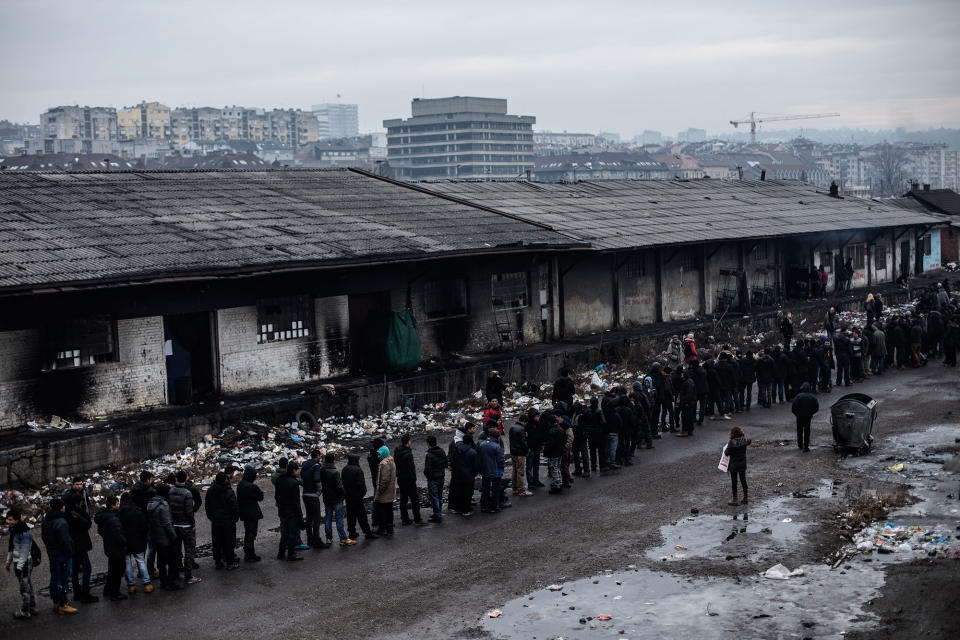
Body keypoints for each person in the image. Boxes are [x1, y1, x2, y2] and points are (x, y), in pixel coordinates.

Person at [41, 499, 77, 614]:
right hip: (62, 555)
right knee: (64, 578)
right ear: (61, 507)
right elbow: (65, 540)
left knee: (55, 577)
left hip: (52, 553)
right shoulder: (61, 522)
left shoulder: (46, 520)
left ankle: (56, 602)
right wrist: (69, 552)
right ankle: (63, 603)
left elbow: (44, 537)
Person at [63, 492, 97, 603]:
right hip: (80, 545)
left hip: (71, 546)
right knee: (86, 567)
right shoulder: (76, 514)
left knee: (74, 570)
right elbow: (87, 523)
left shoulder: (66, 513)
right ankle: (85, 592)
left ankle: (77, 593)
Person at [5, 508, 39, 619]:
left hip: (23, 563)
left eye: (10, 520)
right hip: (19, 562)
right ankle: (32, 606)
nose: (7, 522)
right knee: (27, 583)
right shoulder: (15, 530)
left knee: (24, 586)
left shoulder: (24, 533)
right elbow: (12, 548)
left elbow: (24, 551)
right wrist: (8, 562)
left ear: (16, 520)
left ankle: (25, 610)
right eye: (7, 519)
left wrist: (19, 566)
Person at [94, 495, 128, 601]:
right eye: (117, 504)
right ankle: (115, 593)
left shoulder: (103, 516)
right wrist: (124, 542)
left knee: (112, 569)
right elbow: (119, 535)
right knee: (117, 571)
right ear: (113, 505)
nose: (119, 505)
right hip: (116, 548)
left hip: (109, 546)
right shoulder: (113, 519)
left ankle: (108, 589)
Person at [146, 484, 180, 590]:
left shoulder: (150, 504)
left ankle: (163, 581)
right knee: (172, 561)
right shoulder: (163, 505)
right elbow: (167, 524)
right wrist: (174, 536)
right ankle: (171, 582)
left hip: (156, 536)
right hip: (166, 538)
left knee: (161, 561)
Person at [168, 471, 199, 584]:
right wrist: (193, 524)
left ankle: (177, 573)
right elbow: (189, 512)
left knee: (176, 550)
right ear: (185, 479)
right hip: (186, 526)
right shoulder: (187, 493)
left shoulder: (171, 491)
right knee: (189, 550)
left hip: (175, 525)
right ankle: (188, 575)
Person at [117, 492, 151, 595]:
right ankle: (147, 584)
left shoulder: (119, 513)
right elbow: (144, 527)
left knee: (127, 563)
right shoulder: (137, 511)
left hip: (125, 542)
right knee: (140, 561)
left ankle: (131, 585)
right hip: (137, 541)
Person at [205, 471, 240, 569]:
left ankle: (218, 561)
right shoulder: (228, 491)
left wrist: (211, 517)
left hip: (216, 521)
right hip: (228, 521)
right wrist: (235, 518)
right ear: (225, 480)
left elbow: (207, 506)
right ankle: (229, 562)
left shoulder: (211, 490)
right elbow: (234, 507)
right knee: (229, 541)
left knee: (217, 541)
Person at [319, 453, 355, 546]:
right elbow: (339, 487)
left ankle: (328, 538)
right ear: (333, 461)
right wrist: (344, 494)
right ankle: (343, 538)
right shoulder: (335, 472)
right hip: (337, 499)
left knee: (328, 518)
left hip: (327, 498)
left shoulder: (322, 470)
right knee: (339, 519)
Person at [341, 453, 377, 539]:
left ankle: (352, 532)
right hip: (357, 497)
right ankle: (367, 532)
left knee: (351, 515)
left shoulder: (344, 469)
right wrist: (361, 494)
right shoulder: (358, 470)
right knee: (362, 516)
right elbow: (361, 485)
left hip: (348, 497)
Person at [275, 461, 304, 561]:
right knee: (292, 533)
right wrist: (300, 516)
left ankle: (281, 553)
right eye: (297, 470)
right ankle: (291, 554)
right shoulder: (294, 483)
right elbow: (296, 502)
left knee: (284, 533)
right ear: (293, 470)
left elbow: (277, 496)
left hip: (282, 511)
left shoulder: (279, 480)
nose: (298, 472)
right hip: (292, 512)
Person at [394, 434, 426, 526]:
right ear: (407, 443)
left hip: (401, 479)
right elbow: (411, 469)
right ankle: (417, 519)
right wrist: (413, 479)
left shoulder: (397, 451)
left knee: (403, 499)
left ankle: (405, 519)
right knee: (415, 500)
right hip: (409, 480)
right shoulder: (408, 454)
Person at [237, 465, 264, 562]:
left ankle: (248, 552)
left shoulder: (240, 484)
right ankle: (250, 554)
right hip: (252, 512)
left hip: (244, 512)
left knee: (248, 532)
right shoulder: (252, 486)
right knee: (251, 533)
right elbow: (260, 497)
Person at [449, 434, 479, 516]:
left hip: (457, 475)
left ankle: (457, 508)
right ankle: (466, 510)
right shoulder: (472, 452)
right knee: (467, 493)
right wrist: (473, 474)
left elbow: (453, 462)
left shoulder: (456, 450)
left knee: (459, 492)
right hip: (468, 476)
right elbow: (475, 466)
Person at [300, 449, 324, 548]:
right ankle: (316, 540)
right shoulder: (316, 466)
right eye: (320, 456)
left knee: (309, 518)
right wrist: (319, 491)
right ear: (317, 456)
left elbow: (301, 477)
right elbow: (317, 479)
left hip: (305, 494)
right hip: (313, 495)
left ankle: (309, 539)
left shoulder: (305, 464)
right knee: (317, 518)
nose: (321, 457)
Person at [479, 427, 506, 512]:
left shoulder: (482, 444)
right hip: (495, 471)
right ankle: (494, 506)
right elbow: (501, 460)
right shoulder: (496, 446)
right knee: (495, 489)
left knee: (485, 489)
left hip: (485, 470)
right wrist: (502, 467)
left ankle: (484, 505)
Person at [422, 435, 448, 522]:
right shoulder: (442, 451)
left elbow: (427, 469)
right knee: (439, 496)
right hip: (441, 477)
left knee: (434, 497)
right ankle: (438, 513)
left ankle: (437, 515)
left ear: (428, 444)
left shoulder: (429, 455)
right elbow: (446, 464)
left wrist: (427, 476)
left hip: (433, 479)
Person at [374, 445, 397, 535]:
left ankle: (382, 529)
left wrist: (380, 490)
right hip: (390, 491)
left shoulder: (385, 464)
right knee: (389, 510)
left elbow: (385, 480)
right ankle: (389, 528)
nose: (378, 456)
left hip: (385, 493)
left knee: (382, 511)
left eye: (379, 454)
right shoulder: (391, 461)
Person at [726, 427, 752, 506]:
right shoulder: (744, 440)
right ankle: (745, 497)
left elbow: (726, 453)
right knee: (743, 480)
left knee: (734, 482)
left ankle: (735, 499)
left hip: (734, 464)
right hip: (742, 463)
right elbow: (749, 441)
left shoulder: (731, 442)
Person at [542, 410, 566, 494]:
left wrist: (545, 451)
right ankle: (559, 482)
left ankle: (557, 485)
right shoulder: (560, 429)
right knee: (557, 467)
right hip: (560, 452)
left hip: (553, 453)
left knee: (554, 468)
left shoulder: (552, 431)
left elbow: (550, 444)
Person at [791, 382, 820, 452]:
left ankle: (800, 444)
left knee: (799, 430)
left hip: (799, 416)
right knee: (807, 431)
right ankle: (806, 446)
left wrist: (796, 413)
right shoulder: (812, 397)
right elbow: (816, 407)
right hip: (808, 416)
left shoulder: (798, 396)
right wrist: (811, 413)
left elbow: (794, 407)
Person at [508, 416, 532, 496]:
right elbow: (523, 442)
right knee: (520, 472)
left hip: (513, 452)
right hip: (520, 453)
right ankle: (522, 490)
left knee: (514, 470)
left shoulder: (512, 427)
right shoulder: (522, 429)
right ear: (524, 421)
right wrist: (527, 449)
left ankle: (514, 488)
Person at [524, 409, 545, 489]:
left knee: (536, 465)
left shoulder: (538, 424)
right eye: (536, 416)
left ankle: (536, 480)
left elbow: (541, 434)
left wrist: (541, 444)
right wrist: (527, 447)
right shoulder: (528, 425)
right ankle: (530, 482)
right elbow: (525, 438)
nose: (537, 418)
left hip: (537, 447)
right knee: (529, 466)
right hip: (530, 448)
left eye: (537, 416)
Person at [678, 367, 698, 437]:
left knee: (686, 417)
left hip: (688, 403)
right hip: (690, 402)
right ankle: (689, 430)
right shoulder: (688, 381)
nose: (681, 376)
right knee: (689, 417)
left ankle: (685, 431)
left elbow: (689, 394)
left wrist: (686, 402)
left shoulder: (688, 382)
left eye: (682, 374)